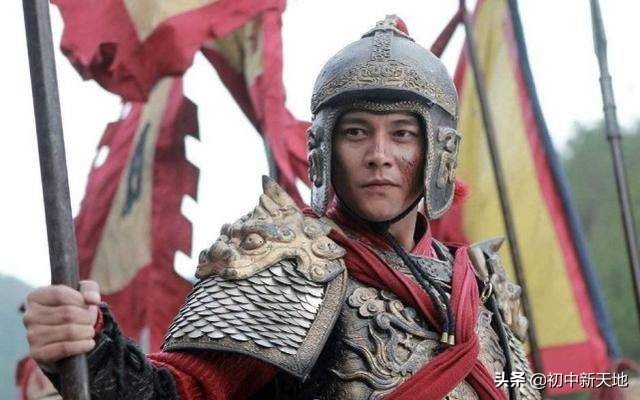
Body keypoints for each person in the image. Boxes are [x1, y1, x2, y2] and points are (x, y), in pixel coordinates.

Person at [23, 16, 541, 400]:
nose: (379, 155)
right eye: (356, 132)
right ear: (324, 149)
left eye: (402, 134)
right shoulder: (285, 264)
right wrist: (91, 347)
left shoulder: (484, 286)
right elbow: (177, 392)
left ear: (437, 152)